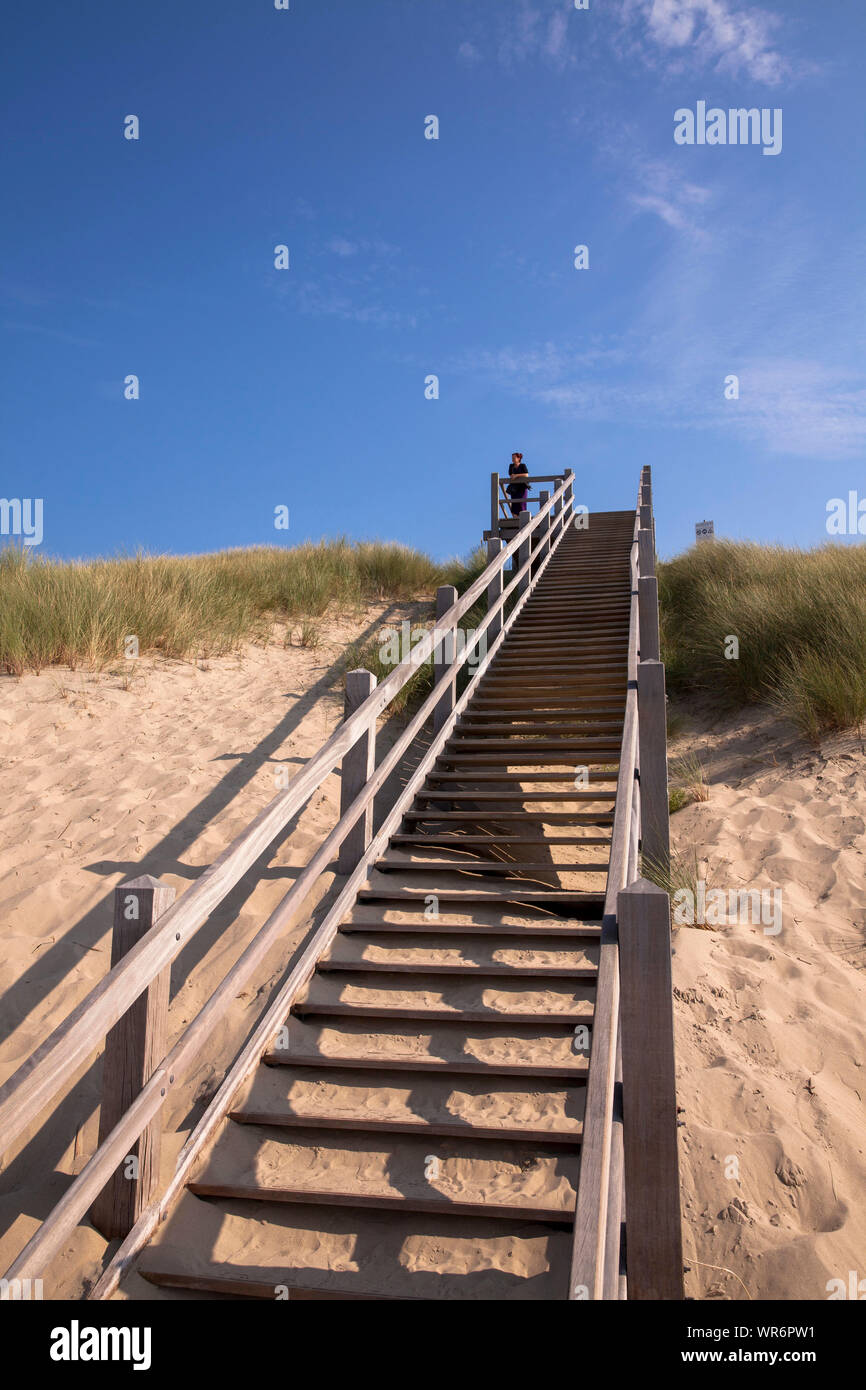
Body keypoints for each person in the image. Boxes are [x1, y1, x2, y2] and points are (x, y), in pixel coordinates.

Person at [506, 452, 529, 516]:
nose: (513, 459)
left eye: (514, 458)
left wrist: (516, 475)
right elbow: (511, 475)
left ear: (519, 458)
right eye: (512, 458)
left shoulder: (522, 465)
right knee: (514, 504)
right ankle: (515, 518)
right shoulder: (511, 466)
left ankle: (522, 517)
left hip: (522, 487)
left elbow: (526, 475)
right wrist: (515, 476)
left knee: (522, 502)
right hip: (514, 488)